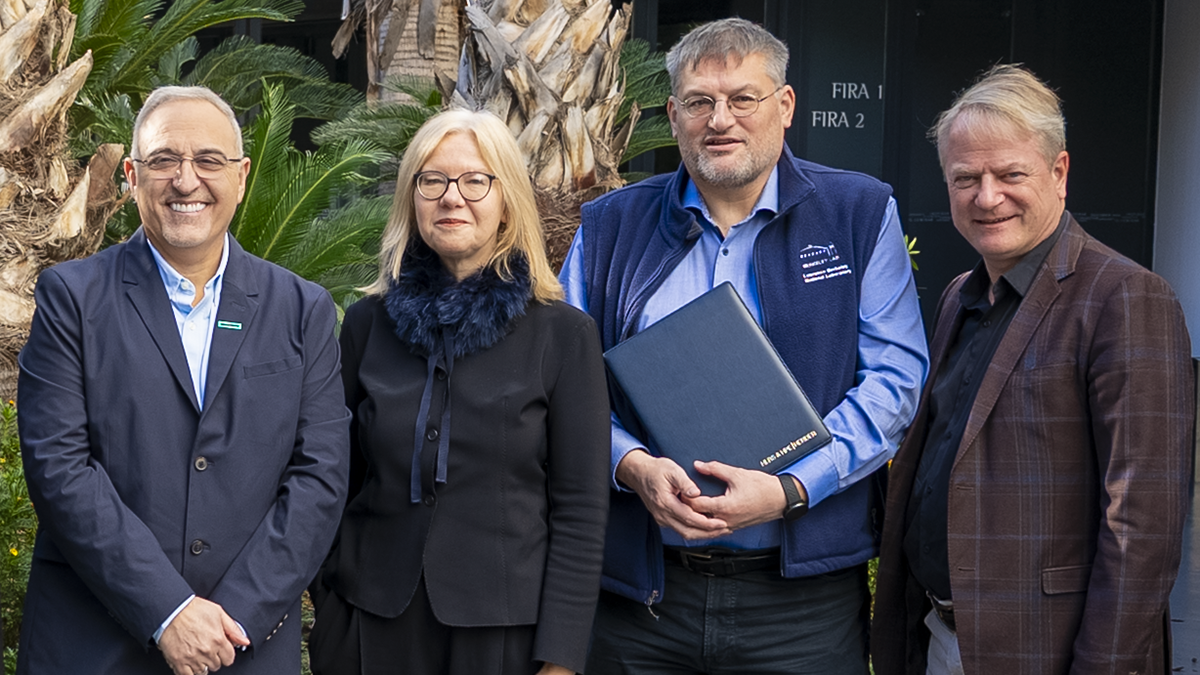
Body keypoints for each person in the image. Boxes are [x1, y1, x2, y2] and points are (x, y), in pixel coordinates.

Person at [559, 17, 928, 675]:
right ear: (673, 115)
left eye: (742, 99)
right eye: (699, 102)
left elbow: (894, 380)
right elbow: (564, 382)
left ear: (784, 107)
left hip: (802, 601)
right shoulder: (608, 228)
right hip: (641, 597)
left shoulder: (859, 213)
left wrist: (789, 485)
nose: (719, 119)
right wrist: (633, 464)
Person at [872, 64, 1194, 675]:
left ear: (1059, 172)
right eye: (965, 178)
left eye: (1009, 174)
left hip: (1045, 652)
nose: (986, 197)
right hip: (938, 637)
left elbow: (1142, 529)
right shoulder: (957, 299)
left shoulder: (1125, 298)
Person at [16, 86, 350, 675]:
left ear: (242, 177)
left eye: (209, 161)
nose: (186, 180)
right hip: (94, 645)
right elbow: (59, 468)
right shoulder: (72, 298)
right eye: (164, 159)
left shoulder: (302, 309)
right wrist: (169, 612)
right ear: (131, 176)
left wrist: (234, 618)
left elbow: (320, 478)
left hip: (241, 647)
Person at [308, 108, 611, 675]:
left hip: (503, 636)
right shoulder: (367, 325)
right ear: (411, 197)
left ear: (507, 201)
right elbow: (330, 480)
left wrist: (561, 659)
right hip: (369, 624)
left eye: (476, 180)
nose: (453, 197)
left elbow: (581, 511)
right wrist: (329, 610)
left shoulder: (564, 335)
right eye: (433, 180)